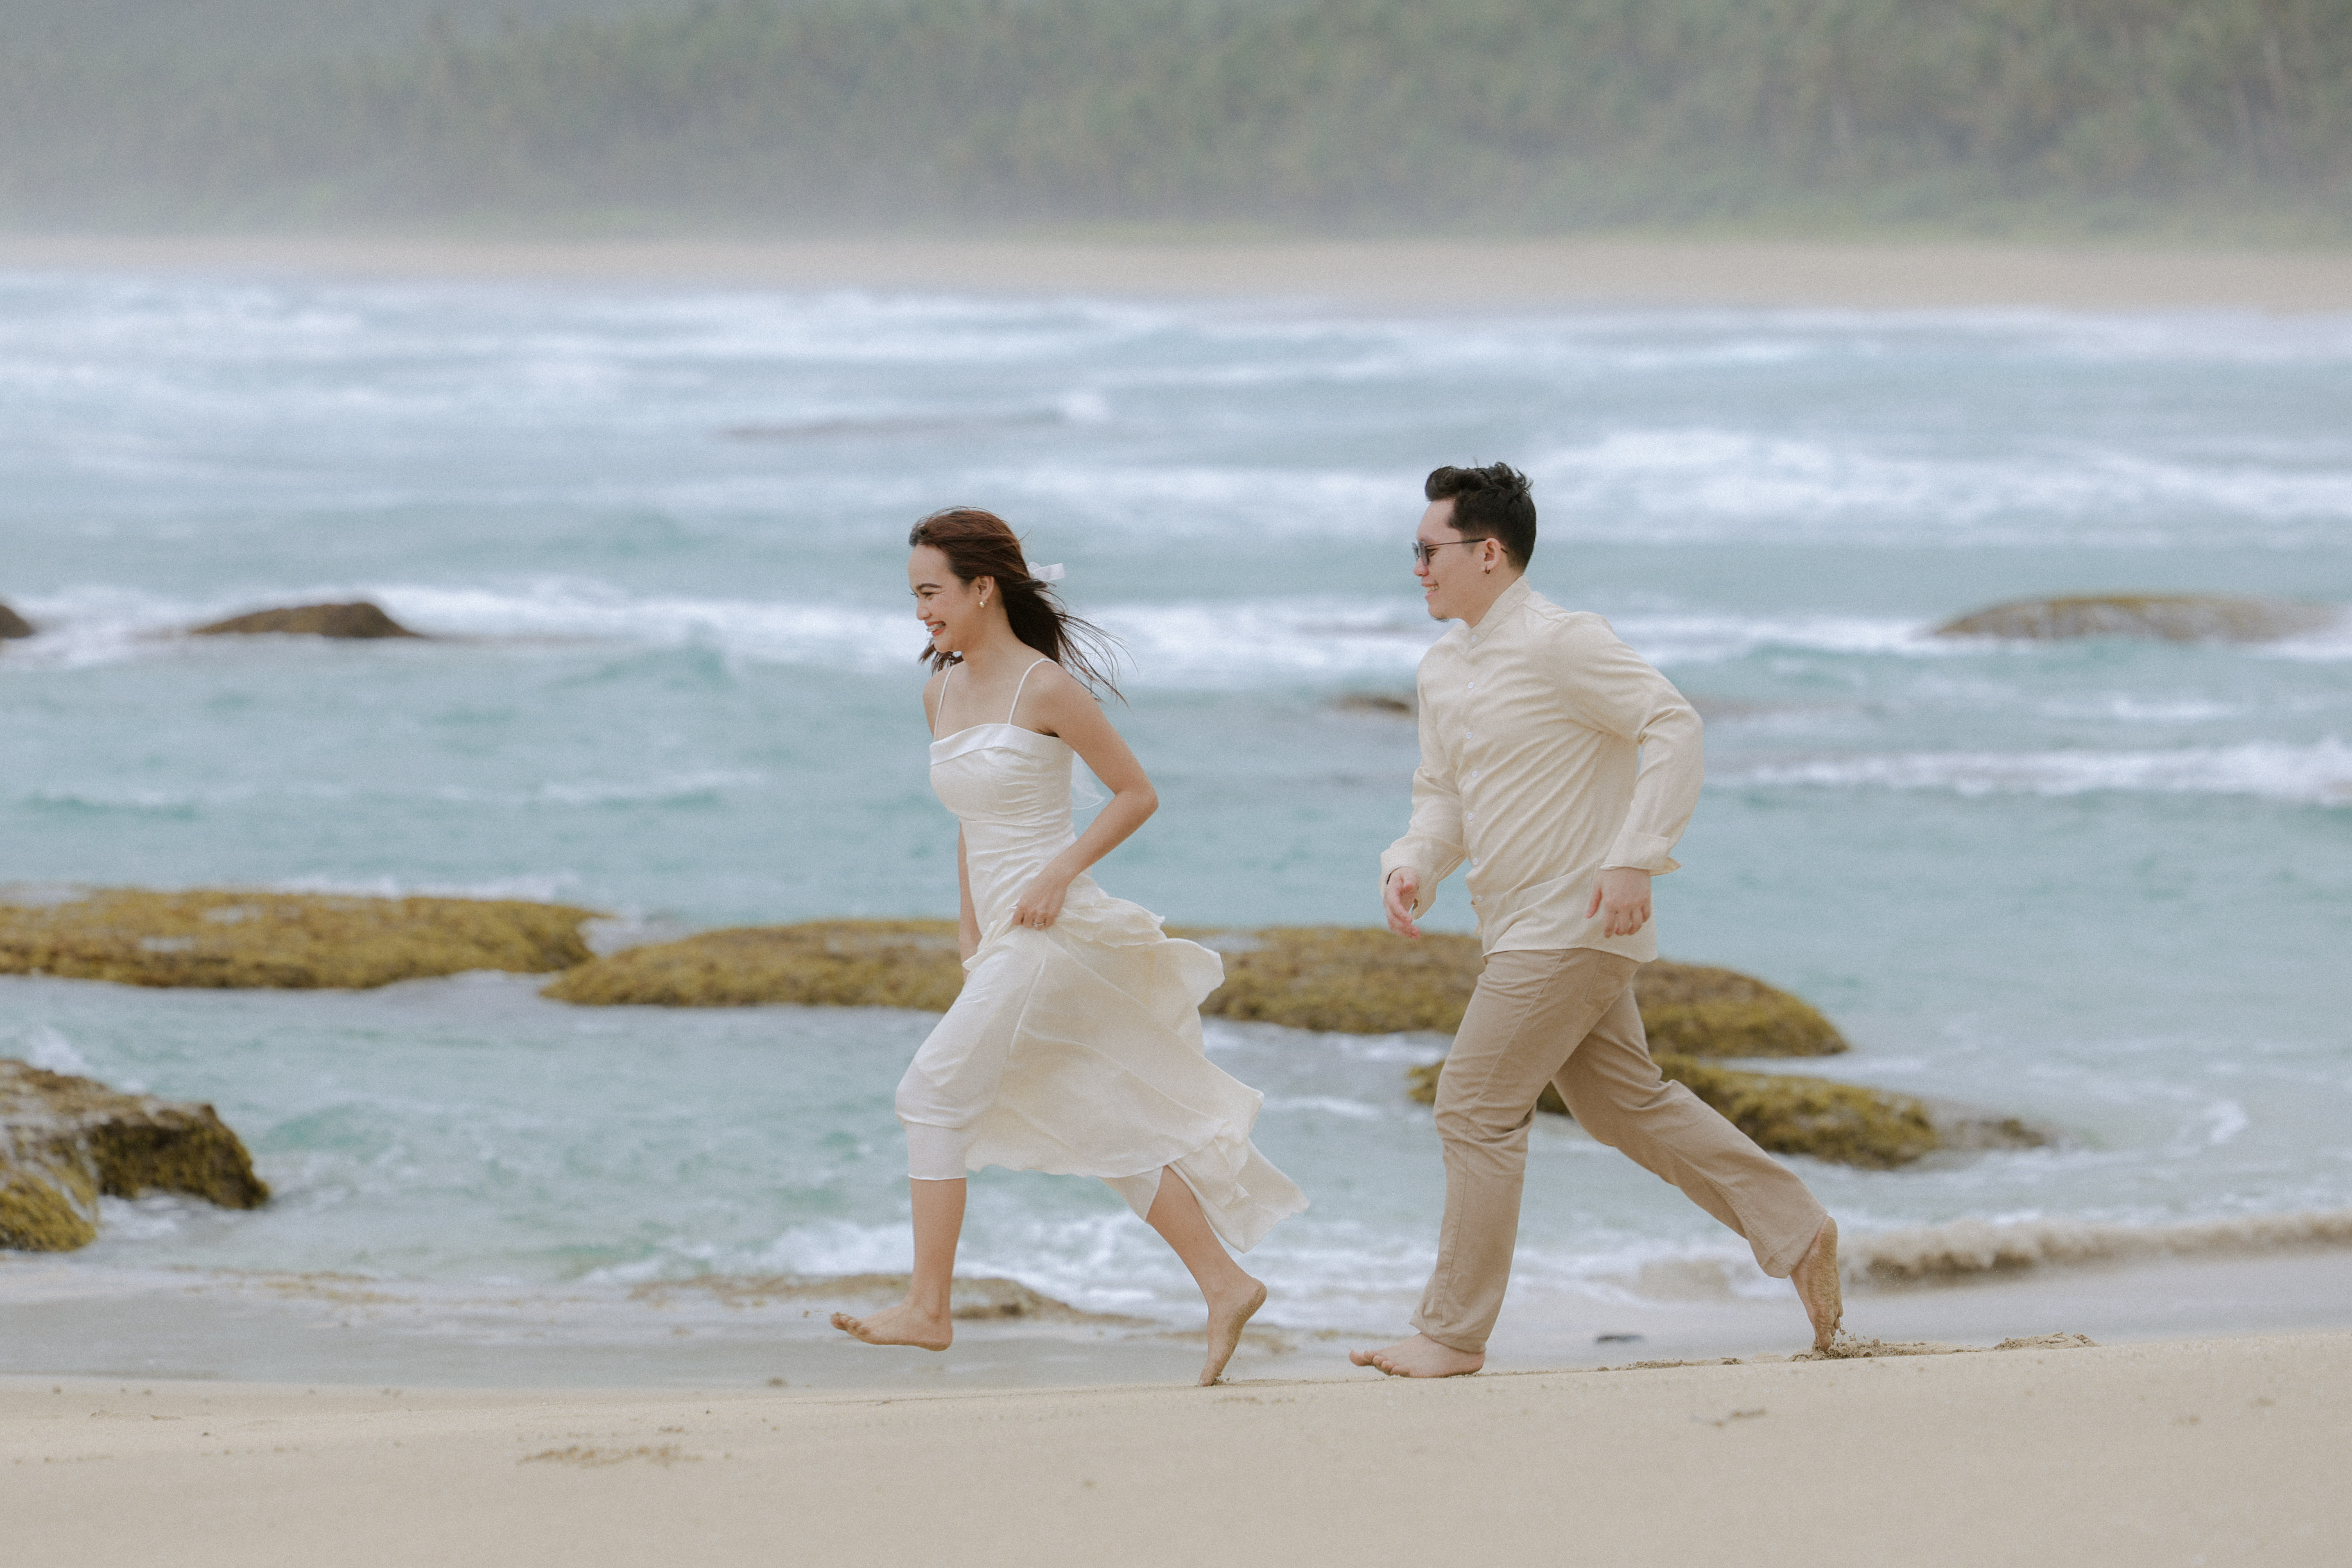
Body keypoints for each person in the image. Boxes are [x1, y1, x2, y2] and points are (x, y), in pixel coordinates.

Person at [1351, 463, 1843, 1379]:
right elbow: (1444, 798)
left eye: (1427, 550)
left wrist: (1635, 853)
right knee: (1623, 1102)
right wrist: (1411, 862)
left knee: (1473, 1107)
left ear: (1486, 552)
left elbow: (1672, 724)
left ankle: (1452, 1334)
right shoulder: (1445, 668)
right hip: (1518, 924)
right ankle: (1797, 1229)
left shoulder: (1561, 642)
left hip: (1572, 920)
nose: (1415, 566)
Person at [832, 507, 1306, 1386]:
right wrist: (967, 921)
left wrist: (1058, 872)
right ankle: (1226, 1282)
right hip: (1000, 935)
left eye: (931, 592)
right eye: (913, 596)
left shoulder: (1045, 688)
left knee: (930, 1094)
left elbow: (1135, 794)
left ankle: (929, 1310)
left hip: (1050, 928)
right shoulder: (939, 690)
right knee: (1096, 1111)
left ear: (983, 587)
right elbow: (970, 820)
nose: (920, 612)